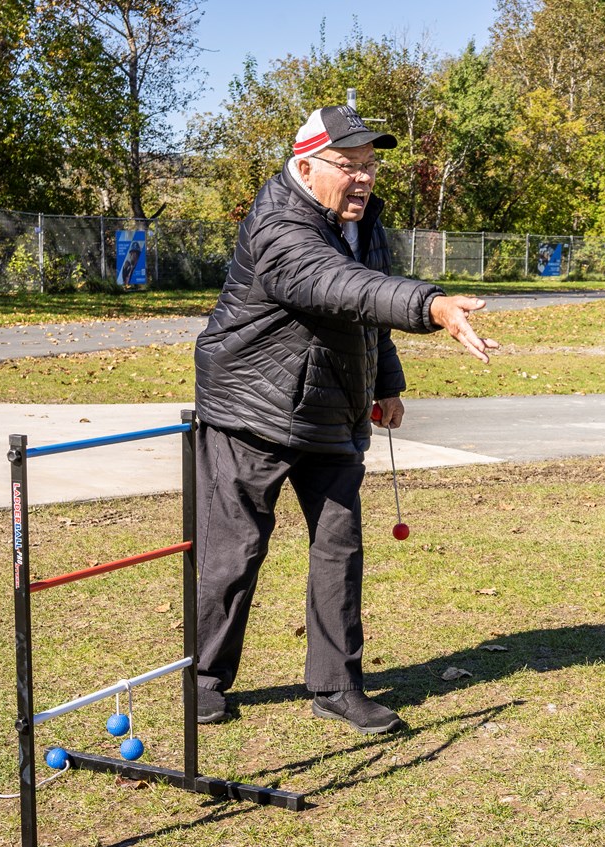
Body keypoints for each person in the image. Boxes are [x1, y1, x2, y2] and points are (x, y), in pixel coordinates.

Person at [192, 105, 497, 735]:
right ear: (306, 167)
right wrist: (432, 305)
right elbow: (338, 285)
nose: (363, 178)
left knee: (340, 548)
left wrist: (385, 383)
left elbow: (366, 308)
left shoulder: (363, 222)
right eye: (348, 165)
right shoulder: (280, 225)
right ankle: (202, 679)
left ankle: (336, 685)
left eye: (370, 165)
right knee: (235, 551)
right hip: (252, 407)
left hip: (331, 410)